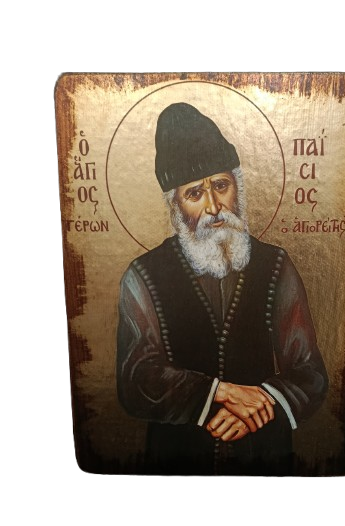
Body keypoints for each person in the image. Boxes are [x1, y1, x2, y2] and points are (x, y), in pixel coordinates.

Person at [116, 102, 328, 475]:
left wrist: (262, 404)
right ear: (176, 207)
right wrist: (221, 392)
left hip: (264, 458)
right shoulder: (142, 275)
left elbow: (310, 373)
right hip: (175, 463)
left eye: (220, 185)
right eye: (194, 193)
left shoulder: (276, 265)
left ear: (237, 188)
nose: (214, 206)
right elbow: (136, 380)